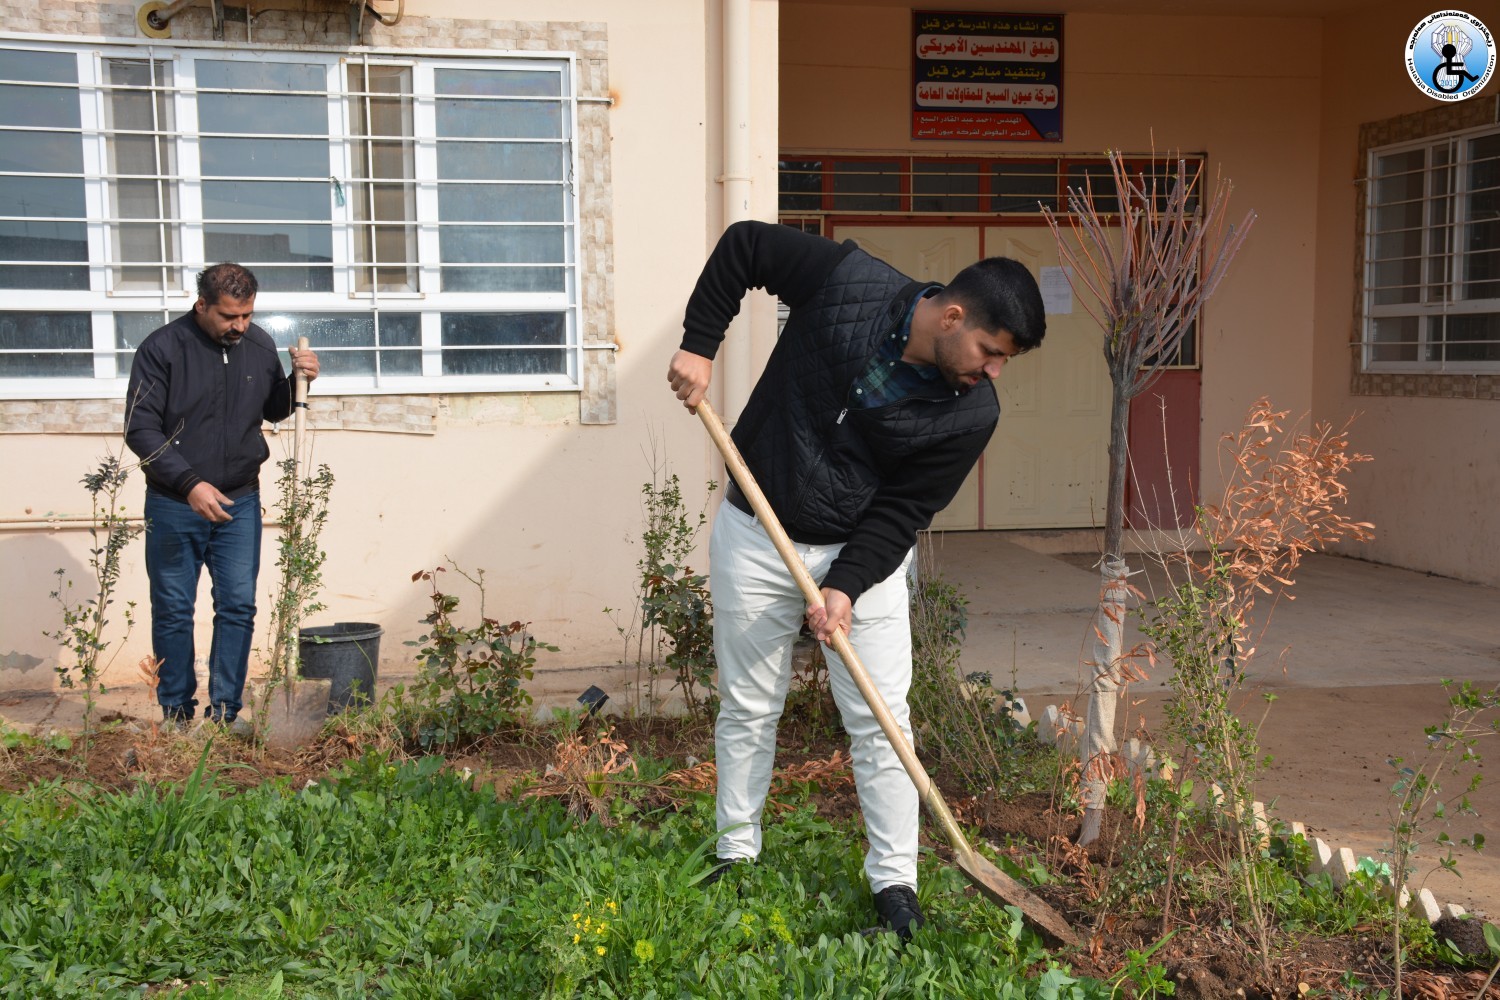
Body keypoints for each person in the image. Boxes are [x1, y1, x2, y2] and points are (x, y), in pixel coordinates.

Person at [667, 220, 1045, 940]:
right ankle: (735, 851)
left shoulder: (971, 412)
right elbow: (746, 247)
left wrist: (846, 584)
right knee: (748, 706)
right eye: (991, 353)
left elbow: (905, 507)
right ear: (954, 316)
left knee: (882, 720)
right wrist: (698, 343)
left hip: (861, 558)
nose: (992, 372)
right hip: (756, 531)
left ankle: (895, 884)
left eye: (1004, 363)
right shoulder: (850, 283)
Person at [125, 263, 319, 729]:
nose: (240, 326)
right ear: (202, 305)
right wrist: (189, 483)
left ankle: (226, 713)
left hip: (239, 499)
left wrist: (298, 382)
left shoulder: (258, 344)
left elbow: (272, 409)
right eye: (230, 316)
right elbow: (140, 429)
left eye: (247, 315)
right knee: (173, 608)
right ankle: (175, 713)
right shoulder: (162, 349)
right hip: (175, 502)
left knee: (237, 605)